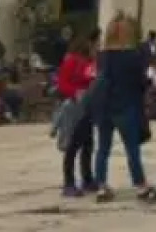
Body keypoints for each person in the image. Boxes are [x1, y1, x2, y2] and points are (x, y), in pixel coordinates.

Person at [93, 13, 156, 204]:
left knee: (103, 149)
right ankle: (140, 185)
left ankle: (101, 186)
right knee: (132, 149)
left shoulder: (102, 55)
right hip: (126, 105)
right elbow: (141, 82)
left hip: (104, 106)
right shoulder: (134, 56)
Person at [54, 31, 98, 197]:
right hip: (74, 107)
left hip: (87, 107)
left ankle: (87, 178)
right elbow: (62, 84)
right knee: (72, 146)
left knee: (88, 144)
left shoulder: (91, 62)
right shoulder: (71, 60)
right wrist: (76, 92)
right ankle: (69, 182)